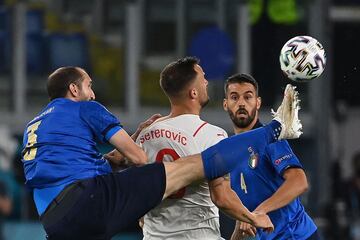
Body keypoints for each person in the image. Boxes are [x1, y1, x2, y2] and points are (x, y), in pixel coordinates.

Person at [21, 66, 299, 240]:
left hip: (55, 221)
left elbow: (106, 162)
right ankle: (275, 128)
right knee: (191, 167)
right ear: (73, 89)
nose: (92, 94)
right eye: (89, 85)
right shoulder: (85, 107)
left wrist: (140, 135)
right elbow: (139, 158)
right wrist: (252, 217)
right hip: (91, 201)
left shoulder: (34, 125)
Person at [134, 57, 269, 239]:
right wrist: (253, 217)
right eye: (202, 77)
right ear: (193, 93)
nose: (206, 81)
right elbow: (221, 197)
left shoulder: (146, 134)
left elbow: (139, 192)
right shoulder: (212, 135)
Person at [222, 73, 319, 240]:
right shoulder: (229, 154)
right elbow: (244, 216)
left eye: (248, 97)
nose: (241, 103)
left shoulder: (269, 139)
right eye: (234, 97)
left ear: (258, 102)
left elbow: (299, 182)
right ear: (225, 104)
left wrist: (260, 211)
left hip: (298, 235)